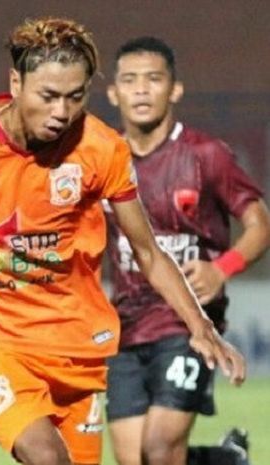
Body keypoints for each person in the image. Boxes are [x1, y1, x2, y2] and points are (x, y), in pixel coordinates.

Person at [0, 17, 246, 465]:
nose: (62, 112)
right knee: (47, 458)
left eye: (75, 96)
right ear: (16, 82)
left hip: (73, 343)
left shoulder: (102, 150)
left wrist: (200, 327)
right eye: (48, 96)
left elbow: (148, 251)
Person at [104, 36, 270, 465]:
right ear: (113, 93)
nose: (141, 90)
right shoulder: (105, 162)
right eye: (130, 80)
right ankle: (224, 461)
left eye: (153, 79)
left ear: (174, 89)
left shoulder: (205, 155)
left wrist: (221, 269)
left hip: (188, 324)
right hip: (125, 326)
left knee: (159, 449)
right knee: (132, 460)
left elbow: (259, 224)